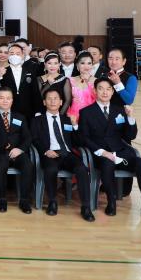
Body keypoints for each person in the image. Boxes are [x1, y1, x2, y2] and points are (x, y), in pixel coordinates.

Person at [79, 78, 141, 220]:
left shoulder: (120, 110)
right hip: (100, 154)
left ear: (112, 92)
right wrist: (103, 152)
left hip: (121, 152)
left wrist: (130, 117)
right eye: (101, 88)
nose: (105, 92)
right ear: (95, 91)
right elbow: (84, 138)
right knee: (107, 164)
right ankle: (111, 202)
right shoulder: (86, 112)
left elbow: (130, 135)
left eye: (108, 89)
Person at [31, 88, 95, 221]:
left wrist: (75, 125)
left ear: (61, 102)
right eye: (49, 99)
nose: (52, 101)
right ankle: (52, 202)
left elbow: (78, 142)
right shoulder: (37, 120)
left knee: (82, 169)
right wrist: (46, 150)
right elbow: (34, 139)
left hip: (67, 154)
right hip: (50, 153)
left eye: (55, 98)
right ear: (44, 102)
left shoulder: (67, 120)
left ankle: (86, 206)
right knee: (51, 169)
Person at [0, 87, 34, 213]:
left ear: (12, 100)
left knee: (28, 165)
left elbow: (28, 137)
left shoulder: (20, 117)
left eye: (8, 98)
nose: (5, 101)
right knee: (1, 164)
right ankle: (2, 200)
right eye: (2, 98)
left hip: (16, 151)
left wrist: (20, 149)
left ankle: (24, 200)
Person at [0, 43, 40, 121]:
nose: (15, 56)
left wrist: (38, 111)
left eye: (18, 54)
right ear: (8, 55)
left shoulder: (29, 71)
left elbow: (35, 92)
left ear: (23, 55)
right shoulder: (2, 71)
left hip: (28, 110)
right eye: (12, 53)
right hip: (8, 110)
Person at [67, 51, 96, 120]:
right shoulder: (70, 80)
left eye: (89, 63)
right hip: (73, 116)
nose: (86, 66)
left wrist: (88, 82)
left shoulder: (97, 81)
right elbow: (66, 100)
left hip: (92, 116)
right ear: (77, 65)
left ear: (92, 65)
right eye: (82, 63)